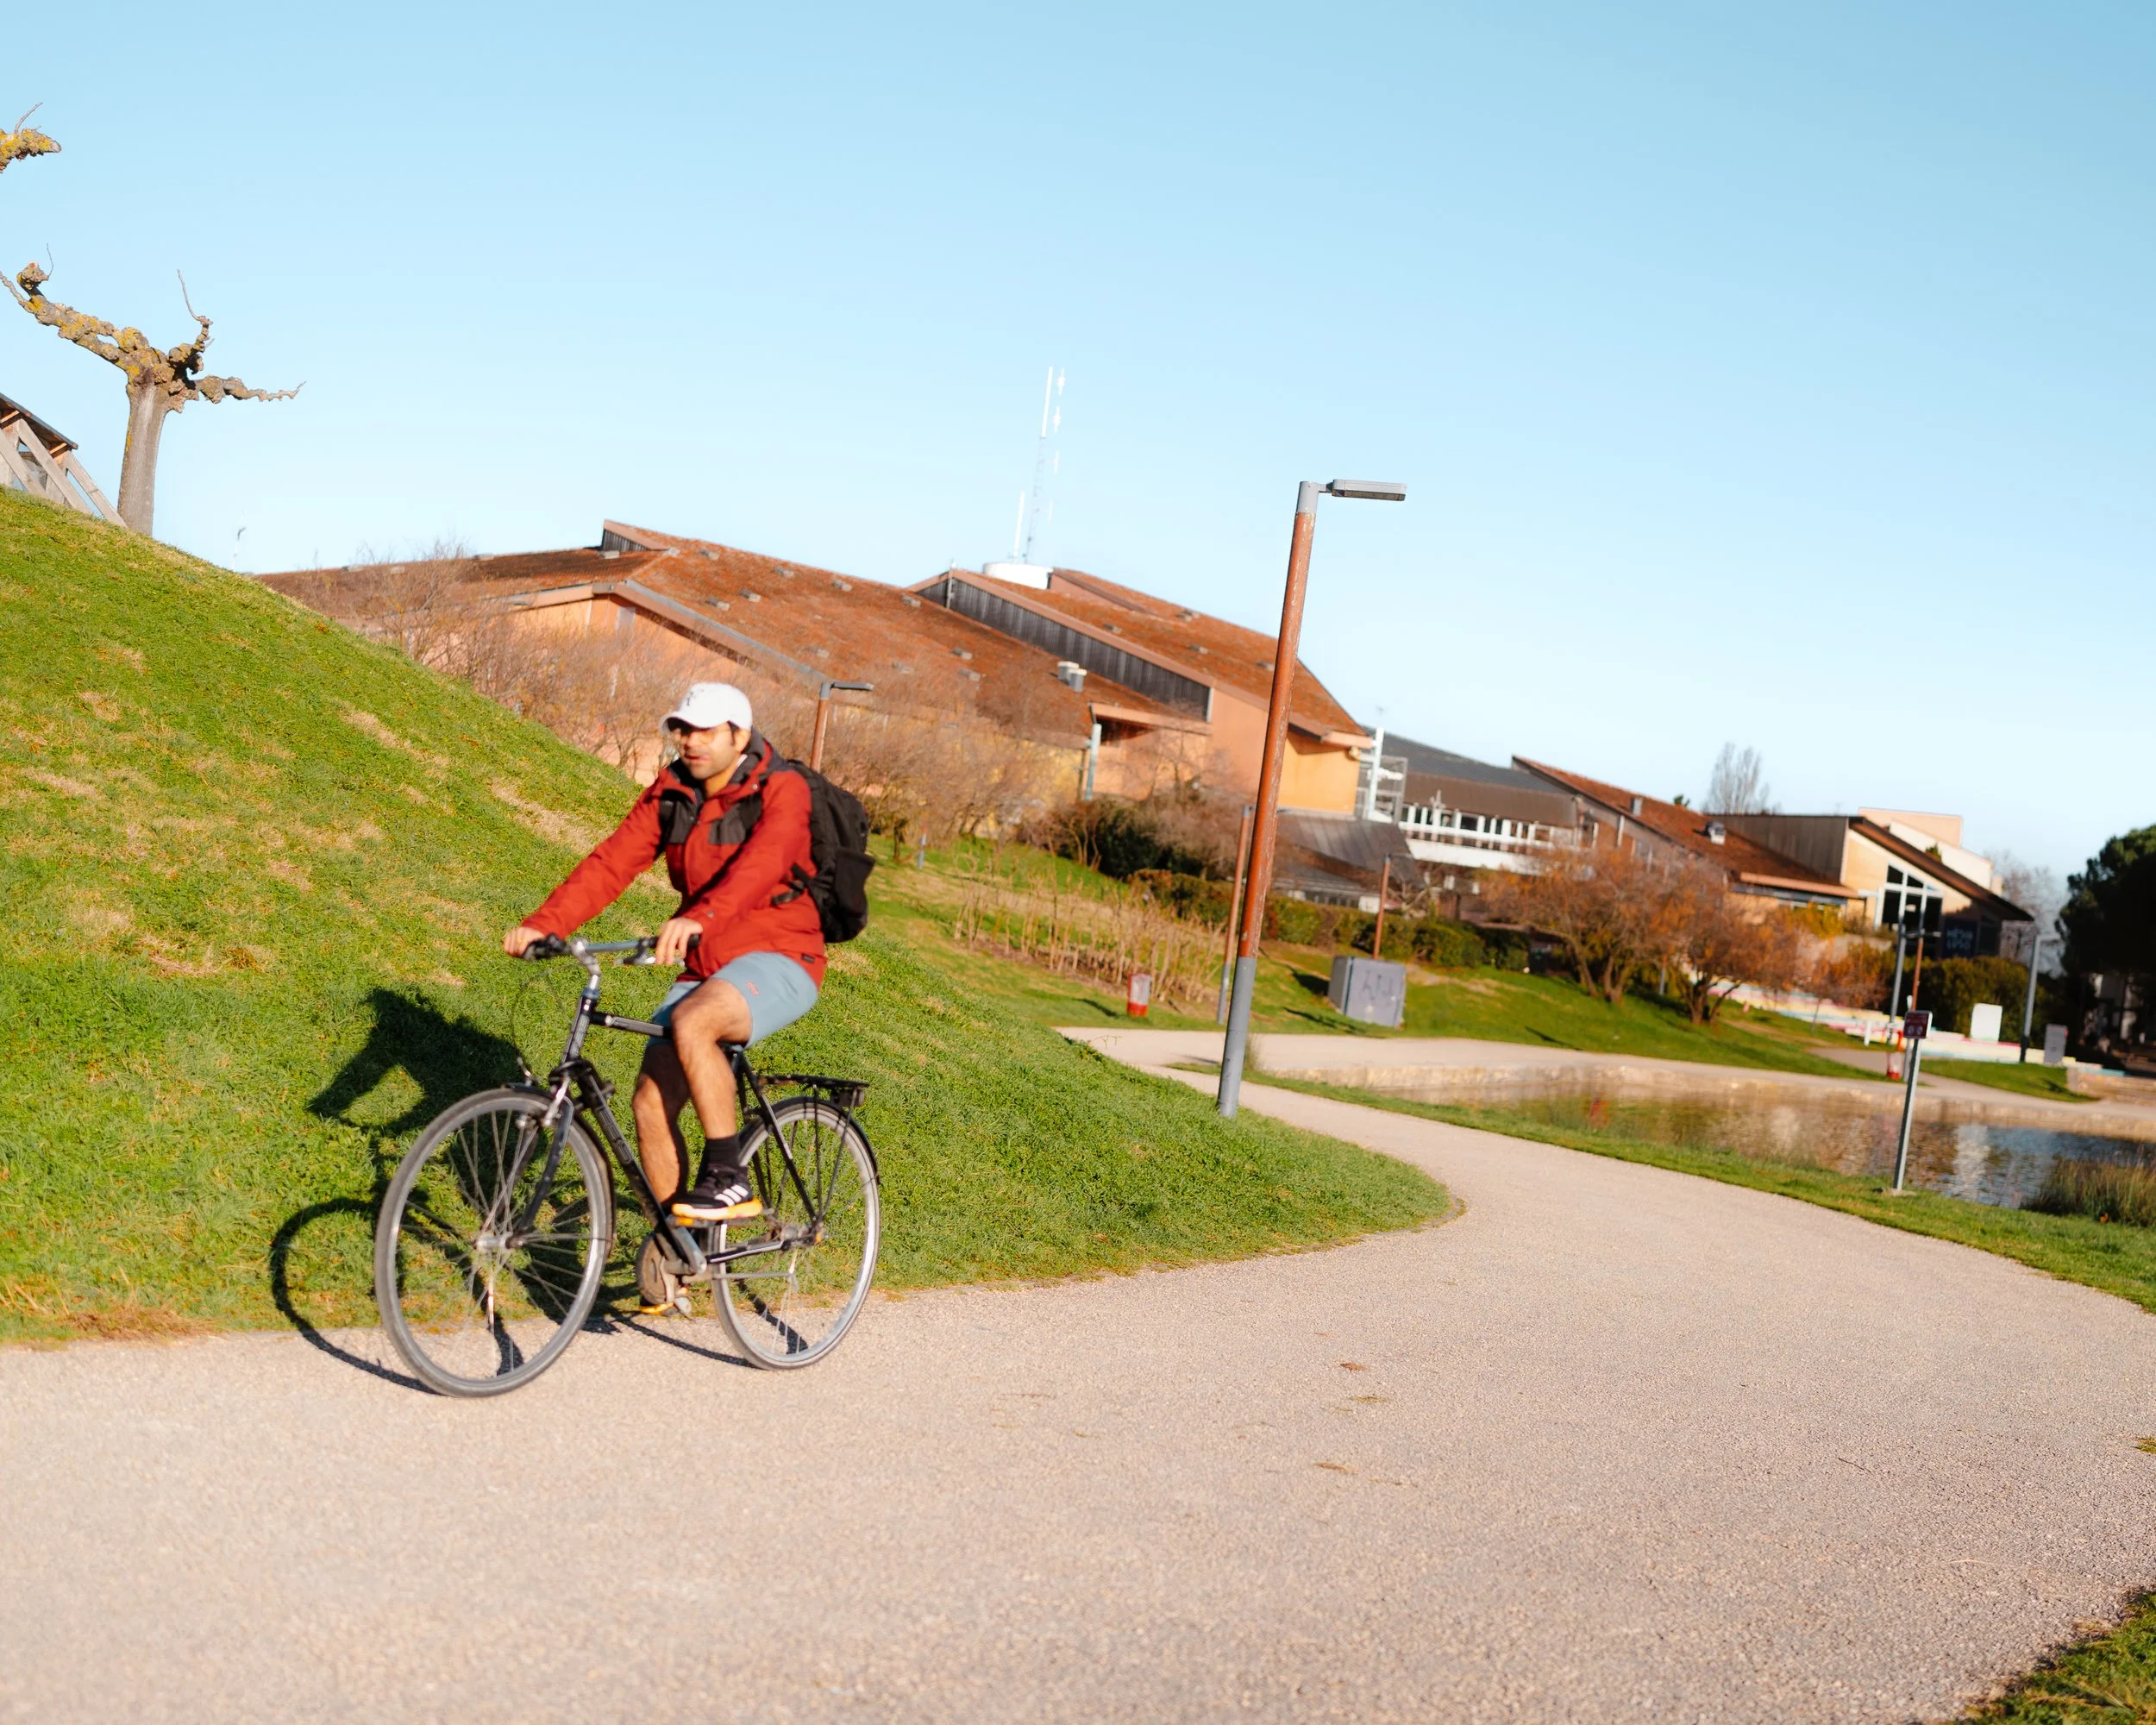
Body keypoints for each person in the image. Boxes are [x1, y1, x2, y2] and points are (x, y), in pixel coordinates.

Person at [501, 681, 824, 1224]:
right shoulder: (672, 790)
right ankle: (681, 1244)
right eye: (682, 729)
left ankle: (728, 1177)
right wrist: (543, 924)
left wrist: (703, 916)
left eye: (703, 730)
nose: (688, 740)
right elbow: (612, 864)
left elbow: (762, 866)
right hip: (707, 961)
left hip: (782, 955)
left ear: (738, 735)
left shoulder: (781, 789)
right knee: (649, 1101)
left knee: (693, 1022)